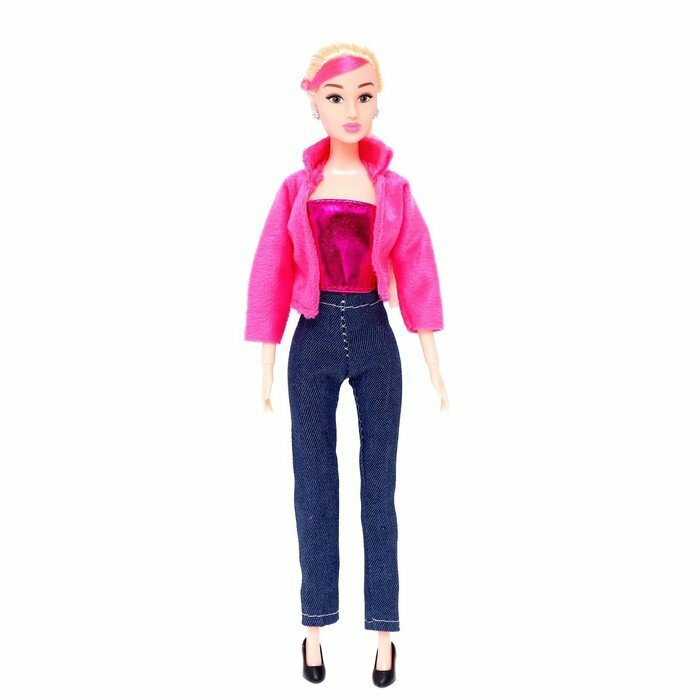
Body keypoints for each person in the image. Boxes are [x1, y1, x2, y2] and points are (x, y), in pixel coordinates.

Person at [244, 41, 449, 687]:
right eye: (337, 97)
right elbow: (273, 268)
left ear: (378, 101)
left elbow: (416, 268)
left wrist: (432, 358)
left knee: (378, 489)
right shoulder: (296, 189)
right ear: (314, 103)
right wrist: (266, 358)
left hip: (374, 336)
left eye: (364, 96)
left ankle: (385, 633)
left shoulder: (393, 189)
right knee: (313, 485)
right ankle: (314, 626)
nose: (351, 110)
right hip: (311, 337)